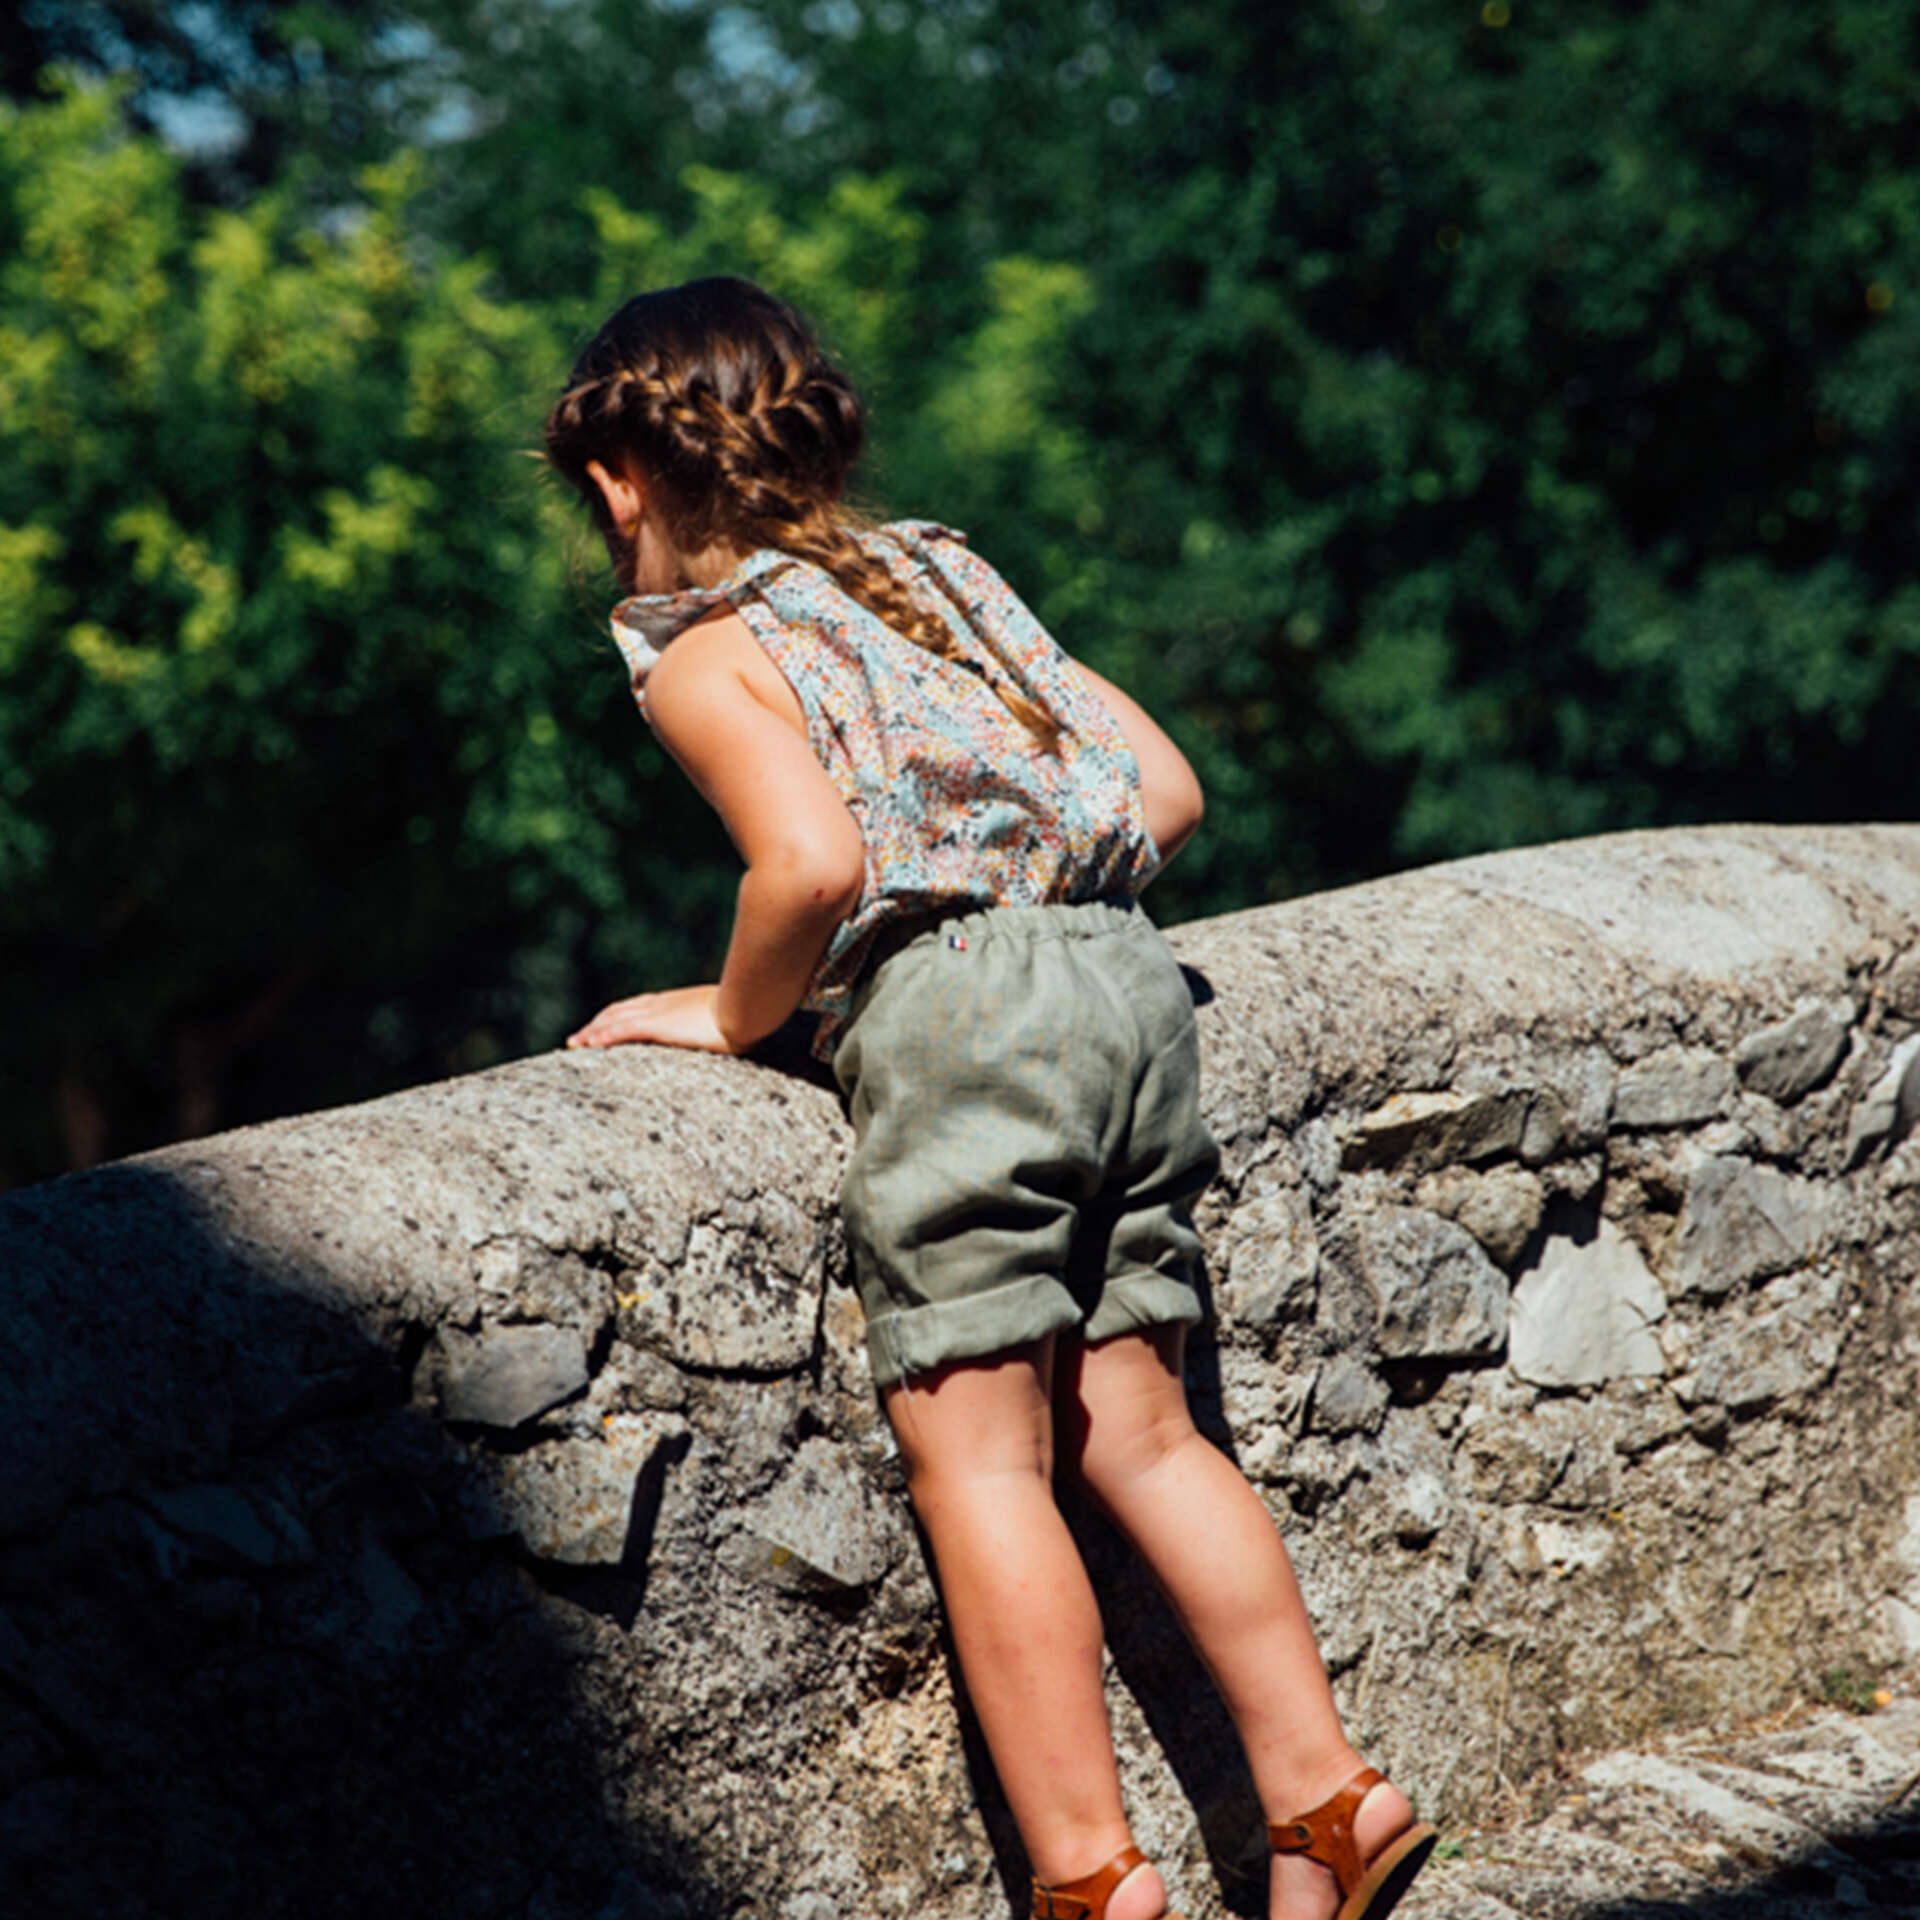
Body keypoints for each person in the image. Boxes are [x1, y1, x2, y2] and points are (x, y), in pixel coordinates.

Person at [548, 276, 1436, 1920]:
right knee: (1147, 1432)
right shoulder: (941, 574)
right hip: (1122, 986)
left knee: (981, 1470)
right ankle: (1328, 1798)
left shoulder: (705, 657)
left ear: (617, 484)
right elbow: (1166, 792)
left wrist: (731, 1018)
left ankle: (1092, 1879)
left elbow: (811, 866)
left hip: (961, 1020)